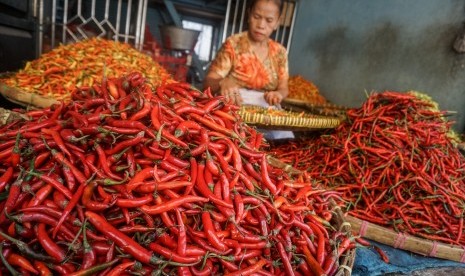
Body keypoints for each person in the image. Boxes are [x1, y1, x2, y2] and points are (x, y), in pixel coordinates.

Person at [203, 0, 289, 107]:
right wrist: (222, 82)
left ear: (277, 22)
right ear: (249, 15)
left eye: (269, 20)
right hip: (233, 109)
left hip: (268, 114)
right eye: (256, 17)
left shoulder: (280, 52)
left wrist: (278, 94)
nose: (261, 25)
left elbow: (284, 88)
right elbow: (208, 82)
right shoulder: (233, 44)